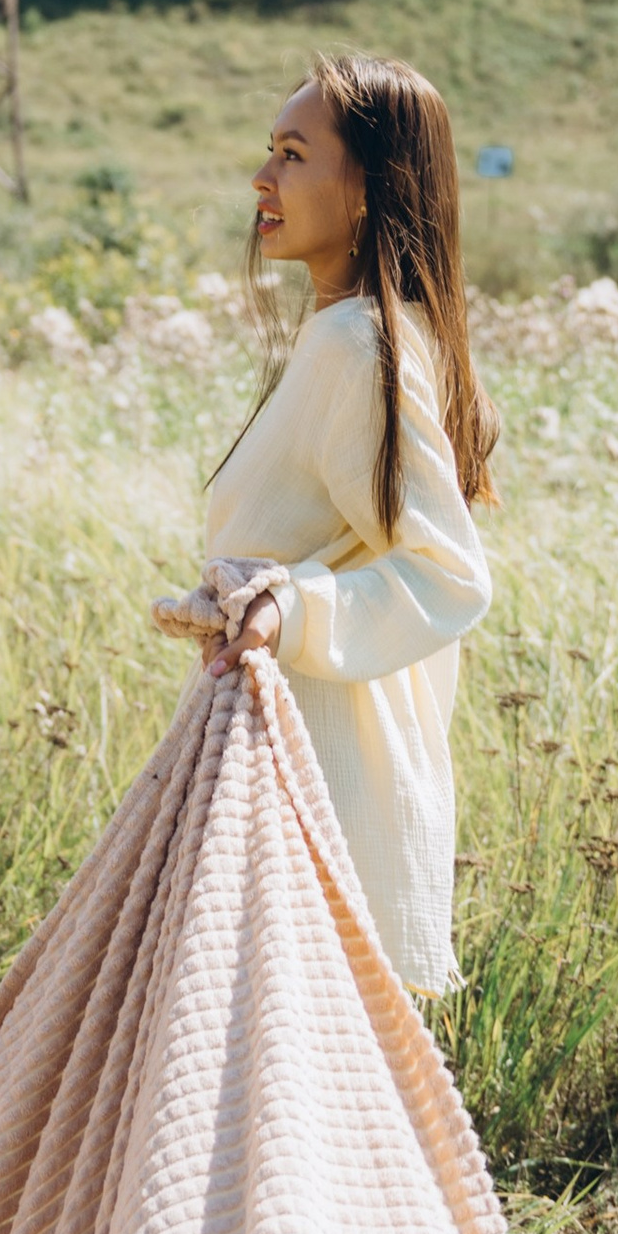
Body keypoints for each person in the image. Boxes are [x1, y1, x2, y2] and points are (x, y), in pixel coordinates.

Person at [163, 52, 496, 994]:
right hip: (288, 774)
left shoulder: (360, 346)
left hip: (324, 792)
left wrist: (286, 611)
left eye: (295, 155)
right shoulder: (346, 336)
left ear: (368, 189)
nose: (263, 179)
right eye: (269, 150)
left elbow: (449, 574)